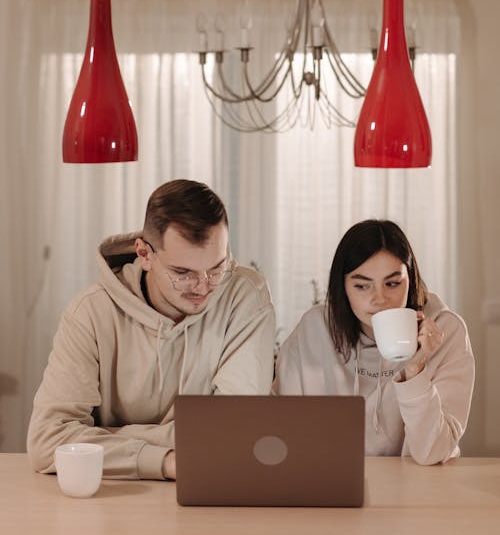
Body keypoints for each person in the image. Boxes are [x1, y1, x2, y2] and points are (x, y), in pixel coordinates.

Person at [28, 179, 276, 480]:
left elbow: (236, 432)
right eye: (182, 273)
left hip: (212, 491)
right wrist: (167, 461)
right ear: (144, 254)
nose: (203, 287)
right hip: (111, 499)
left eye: (216, 269)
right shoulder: (89, 313)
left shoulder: (246, 295)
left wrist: (104, 437)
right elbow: (47, 441)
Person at [273, 219, 474, 465]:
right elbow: (283, 432)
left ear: (410, 280)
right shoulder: (315, 330)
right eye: (361, 286)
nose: (380, 299)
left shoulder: (446, 331)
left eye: (392, 283)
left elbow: (432, 452)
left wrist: (414, 371)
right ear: (343, 287)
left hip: (418, 486)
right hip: (329, 483)